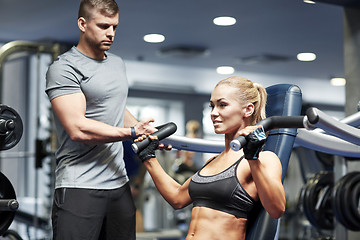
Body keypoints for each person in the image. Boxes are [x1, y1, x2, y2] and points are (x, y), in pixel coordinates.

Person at [45, 0, 158, 239]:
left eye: (115, 27)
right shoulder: (64, 68)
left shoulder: (117, 64)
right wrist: (132, 133)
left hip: (119, 185)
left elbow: (117, 110)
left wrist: (146, 131)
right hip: (79, 185)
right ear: (82, 24)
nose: (111, 33)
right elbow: (78, 129)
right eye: (104, 26)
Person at [136, 76, 286, 240]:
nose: (214, 113)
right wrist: (149, 158)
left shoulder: (264, 158)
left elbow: (276, 209)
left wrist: (252, 157)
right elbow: (177, 198)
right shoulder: (213, 161)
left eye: (222, 105)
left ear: (248, 109)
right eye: (212, 106)